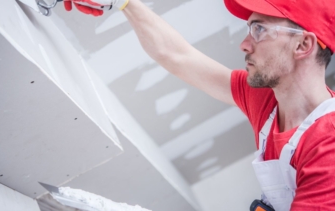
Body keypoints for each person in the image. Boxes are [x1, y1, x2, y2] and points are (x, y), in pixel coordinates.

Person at [64, 0, 335, 210]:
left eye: (260, 29)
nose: (244, 44)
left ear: (303, 44)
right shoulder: (268, 102)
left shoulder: (328, 150)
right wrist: (125, 2)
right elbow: (178, 56)